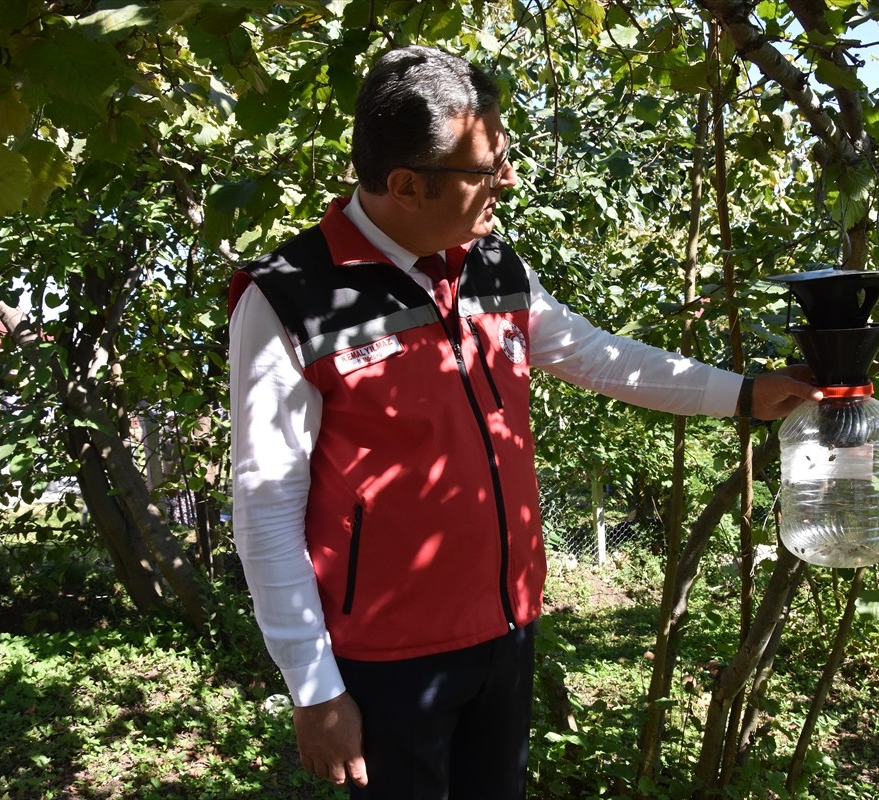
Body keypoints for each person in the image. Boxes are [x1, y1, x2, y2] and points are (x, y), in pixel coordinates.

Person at [228, 45, 820, 800]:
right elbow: (267, 507)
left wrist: (744, 394)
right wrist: (313, 688)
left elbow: (597, 356)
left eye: (506, 156)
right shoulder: (290, 299)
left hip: (506, 632)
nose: (508, 180)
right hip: (384, 660)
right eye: (487, 169)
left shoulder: (491, 265)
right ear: (406, 184)